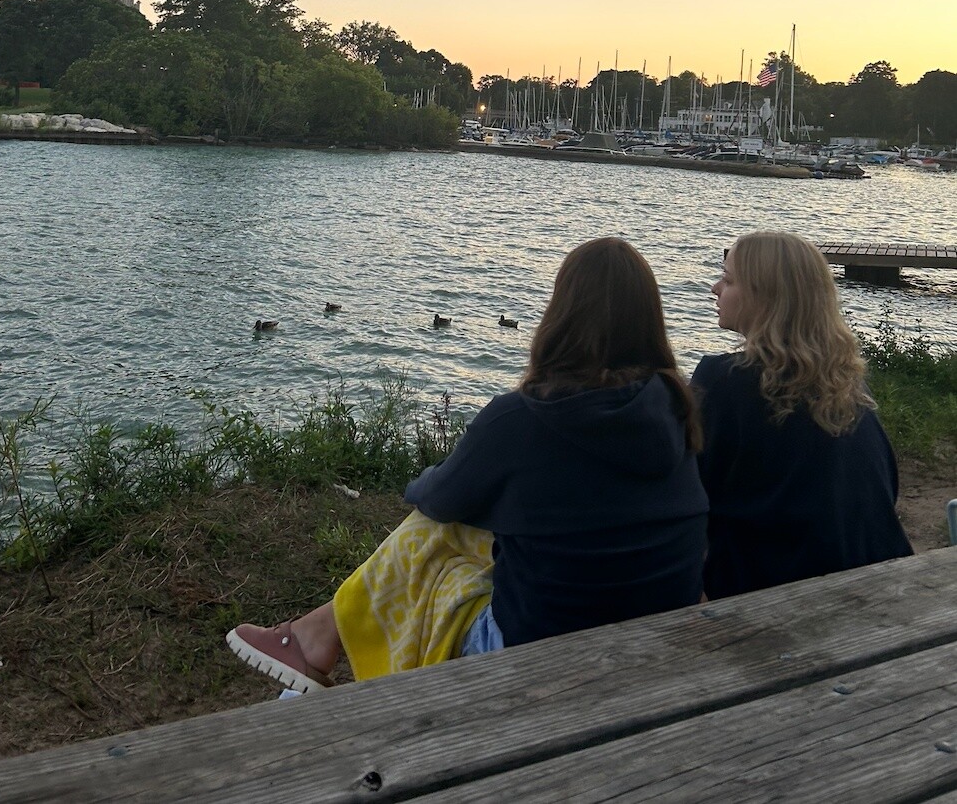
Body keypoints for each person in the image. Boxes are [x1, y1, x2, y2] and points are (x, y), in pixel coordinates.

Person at [227, 237, 709, 693]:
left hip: (542, 655)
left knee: (431, 535)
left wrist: (431, 482)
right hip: (657, 638)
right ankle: (315, 636)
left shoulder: (523, 417)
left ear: (560, 315)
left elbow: (439, 499)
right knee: (473, 532)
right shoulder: (679, 410)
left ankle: (315, 638)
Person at [693, 231, 912, 601]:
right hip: (878, 582)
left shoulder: (721, 381)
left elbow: (688, 494)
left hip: (782, 597)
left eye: (728, 280)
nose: (715, 289)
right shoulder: (847, 383)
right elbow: (884, 487)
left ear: (765, 297)